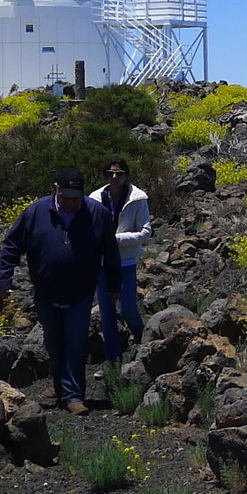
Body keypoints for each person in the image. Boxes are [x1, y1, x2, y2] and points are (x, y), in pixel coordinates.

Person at [0, 167, 125, 414]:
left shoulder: (97, 214)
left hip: (80, 291)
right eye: (67, 196)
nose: (72, 202)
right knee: (54, 343)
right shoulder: (36, 212)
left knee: (75, 343)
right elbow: (11, 245)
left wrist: (114, 282)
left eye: (77, 196)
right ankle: (58, 384)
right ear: (56, 189)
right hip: (46, 291)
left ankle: (73, 396)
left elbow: (110, 250)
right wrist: (4, 279)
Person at [91, 157, 152, 372]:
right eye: (110, 173)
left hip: (126, 260)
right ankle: (113, 360)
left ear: (126, 175)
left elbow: (146, 231)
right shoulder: (95, 198)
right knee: (107, 313)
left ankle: (141, 339)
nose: (114, 177)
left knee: (127, 309)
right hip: (102, 262)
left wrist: (117, 240)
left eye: (119, 173)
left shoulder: (137, 198)